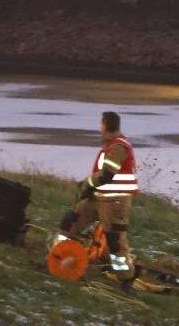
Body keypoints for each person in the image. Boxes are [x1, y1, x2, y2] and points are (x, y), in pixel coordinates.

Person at [57, 111, 141, 290]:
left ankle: (126, 278)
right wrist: (89, 189)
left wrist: (87, 183)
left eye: (101, 124)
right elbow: (102, 177)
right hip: (98, 198)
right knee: (71, 221)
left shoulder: (118, 147)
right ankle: (56, 257)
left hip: (115, 203)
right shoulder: (110, 146)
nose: (99, 128)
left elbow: (107, 175)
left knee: (115, 243)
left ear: (106, 125)